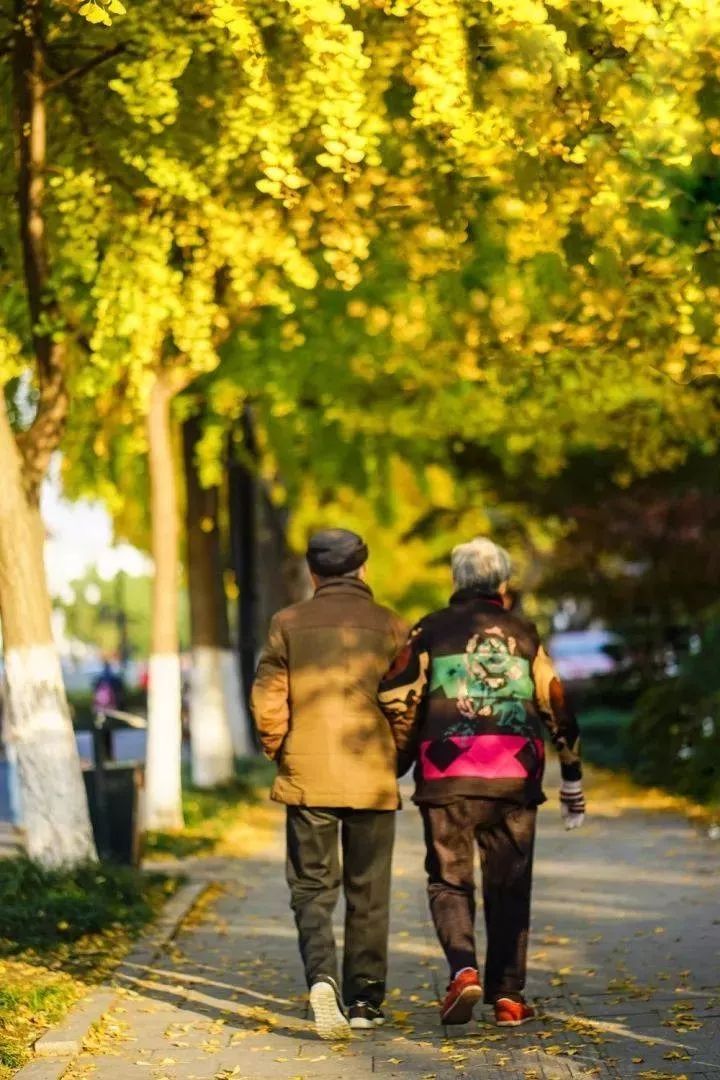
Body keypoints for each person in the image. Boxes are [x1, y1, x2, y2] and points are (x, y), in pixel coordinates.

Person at [379, 537, 585, 1029]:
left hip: (446, 775)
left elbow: (394, 694)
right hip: (513, 778)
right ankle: (508, 998)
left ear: (456, 580)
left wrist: (403, 756)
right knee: (509, 883)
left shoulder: (428, 630)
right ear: (503, 583)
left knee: (449, 879)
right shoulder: (523, 633)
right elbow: (556, 705)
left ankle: (463, 970)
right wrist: (572, 778)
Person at [251, 528, 408, 1040]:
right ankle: (364, 1000)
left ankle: (321, 978)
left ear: (313, 574)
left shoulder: (288, 623)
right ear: (363, 569)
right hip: (371, 774)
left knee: (312, 888)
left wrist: (282, 749)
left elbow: (268, 697)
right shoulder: (391, 626)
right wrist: (395, 756)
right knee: (369, 891)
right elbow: (407, 703)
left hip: (309, 776)